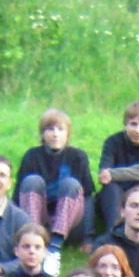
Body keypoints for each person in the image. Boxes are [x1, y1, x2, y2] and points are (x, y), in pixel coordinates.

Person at [17, 108, 95, 259]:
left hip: (70, 222)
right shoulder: (32, 156)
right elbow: (19, 196)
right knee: (32, 181)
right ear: (42, 134)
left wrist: (88, 237)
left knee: (70, 184)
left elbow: (87, 197)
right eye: (50, 129)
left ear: (67, 134)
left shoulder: (78, 157)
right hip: (40, 220)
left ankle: (54, 246)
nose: (55, 134)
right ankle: (34, 239)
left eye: (60, 129)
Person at [95, 101, 139, 233]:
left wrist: (116, 174)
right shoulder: (112, 142)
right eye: (133, 124)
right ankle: (115, 233)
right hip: (119, 191)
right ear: (125, 125)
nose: (138, 130)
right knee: (110, 188)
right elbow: (104, 177)